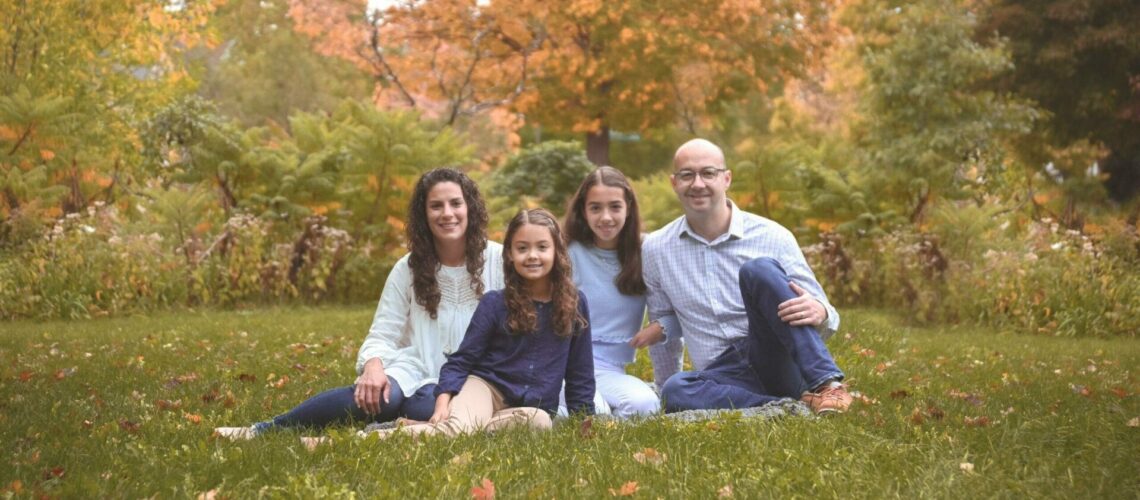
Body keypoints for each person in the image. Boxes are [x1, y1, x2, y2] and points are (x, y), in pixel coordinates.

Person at [214, 168, 503, 438]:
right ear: (424, 214)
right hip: (415, 369)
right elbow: (383, 332)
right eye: (436, 206)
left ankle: (398, 425)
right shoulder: (408, 268)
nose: (447, 213)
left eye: (456, 203)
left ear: (470, 208)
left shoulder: (498, 262)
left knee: (429, 408)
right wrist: (374, 365)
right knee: (376, 396)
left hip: (474, 378)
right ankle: (264, 430)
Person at [642, 139, 853, 415]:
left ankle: (828, 386)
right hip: (722, 373)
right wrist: (664, 387)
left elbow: (826, 315)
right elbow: (663, 327)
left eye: (708, 173)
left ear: (726, 178)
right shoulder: (656, 248)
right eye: (686, 175)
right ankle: (789, 405)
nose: (697, 183)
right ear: (674, 183)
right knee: (675, 390)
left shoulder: (772, 235)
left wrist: (821, 311)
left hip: (778, 357)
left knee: (758, 269)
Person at [362, 208, 595, 439]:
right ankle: (362, 440)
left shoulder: (574, 304)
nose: (532, 255)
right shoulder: (495, 303)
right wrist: (442, 404)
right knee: (458, 430)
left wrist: (585, 423)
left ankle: (419, 426)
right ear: (510, 254)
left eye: (542, 247)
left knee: (541, 422)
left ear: (557, 252)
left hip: (530, 407)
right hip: (485, 388)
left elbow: (580, 373)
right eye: (522, 248)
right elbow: (462, 359)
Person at [562, 166, 673, 418]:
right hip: (565, 363)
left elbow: (683, 310)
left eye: (615, 206)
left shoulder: (647, 251)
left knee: (645, 406)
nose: (606, 217)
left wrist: (661, 327)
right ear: (583, 210)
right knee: (594, 411)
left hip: (610, 369)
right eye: (595, 208)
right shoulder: (568, 252)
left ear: (628, 208)